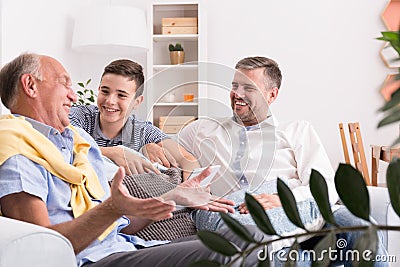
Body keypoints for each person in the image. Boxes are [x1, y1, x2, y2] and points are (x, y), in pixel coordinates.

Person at [0, 53, 272, 267]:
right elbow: (41, 248)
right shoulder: (16, 146)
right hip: (94, 259)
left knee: (251, 235)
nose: (73, 95)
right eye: (64, 83)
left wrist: (175, 196)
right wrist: (110, 208)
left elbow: (119, 224)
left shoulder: (78, 143)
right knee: (246, 245)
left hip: (125, 246)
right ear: (30, 85)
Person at [178, 56, 389, 266]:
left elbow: (325, 185)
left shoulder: (296, 131)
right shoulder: (203, 130)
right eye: (235, 86)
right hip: (254, 224)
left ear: (272, 95)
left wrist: (283, 199)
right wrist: (151, 144)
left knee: (361, 229)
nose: (237, 94)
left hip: (307, 214)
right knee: (293, 262)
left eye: (248, 88)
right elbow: (163, 146)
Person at [69, 59, 199, 179]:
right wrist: (115, 152)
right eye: (105, 91)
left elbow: (187, 159)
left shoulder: (143, 131)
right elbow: (61, 143)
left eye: (121, 95)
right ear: (98, 90)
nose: (110, 101)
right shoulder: (80, 116)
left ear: (137, 101)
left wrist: (190, 188)